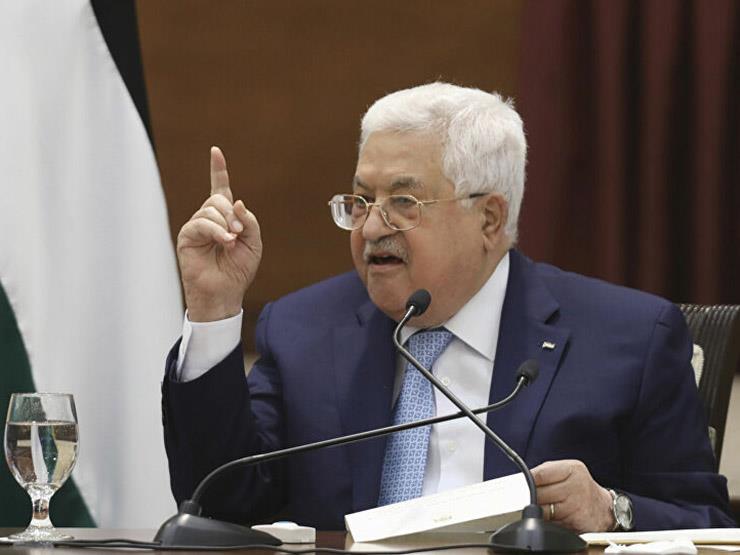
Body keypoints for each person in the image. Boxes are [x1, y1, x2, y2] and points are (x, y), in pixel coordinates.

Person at [161, 83, 735, 532]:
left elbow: (707, 526)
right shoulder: (304, 329)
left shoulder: (630, 338)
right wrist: (214, 310)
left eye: (403, 201)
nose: (371, 227)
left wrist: (611, 510)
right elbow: (219, 502)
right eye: (361, 200)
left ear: (489, 219)